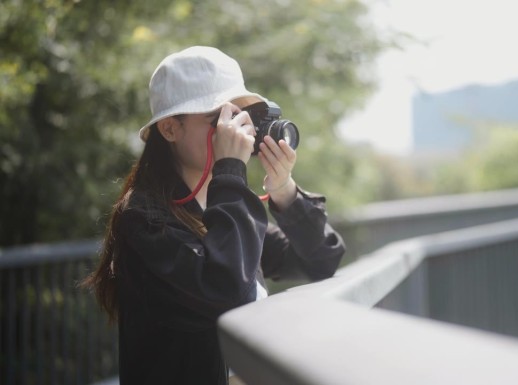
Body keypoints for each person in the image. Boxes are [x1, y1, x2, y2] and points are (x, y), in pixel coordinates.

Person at [81, 46, 346, 385]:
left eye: (238, 117)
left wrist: (284, 190)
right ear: (169, 129)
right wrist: (230, 172)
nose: (233, 131)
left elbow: (321, 259)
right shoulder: (145, 219)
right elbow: (225, 289)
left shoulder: (218, 207)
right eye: (217, 119)